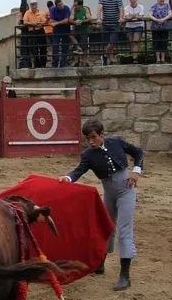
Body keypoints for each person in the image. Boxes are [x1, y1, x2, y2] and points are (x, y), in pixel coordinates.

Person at [58, 119, 144, 291]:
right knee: (105, 228)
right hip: (110, 194)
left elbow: (138, 152)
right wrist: (67, 178)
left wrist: (136, 172)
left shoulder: (116, 143)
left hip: (126, 192)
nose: (91, 142)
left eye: (93, 137)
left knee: (124, 231)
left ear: (102, 135)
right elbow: (78, 171)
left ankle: (124, 276)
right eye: (87, 138)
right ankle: (100, 264)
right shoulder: (88, 155)